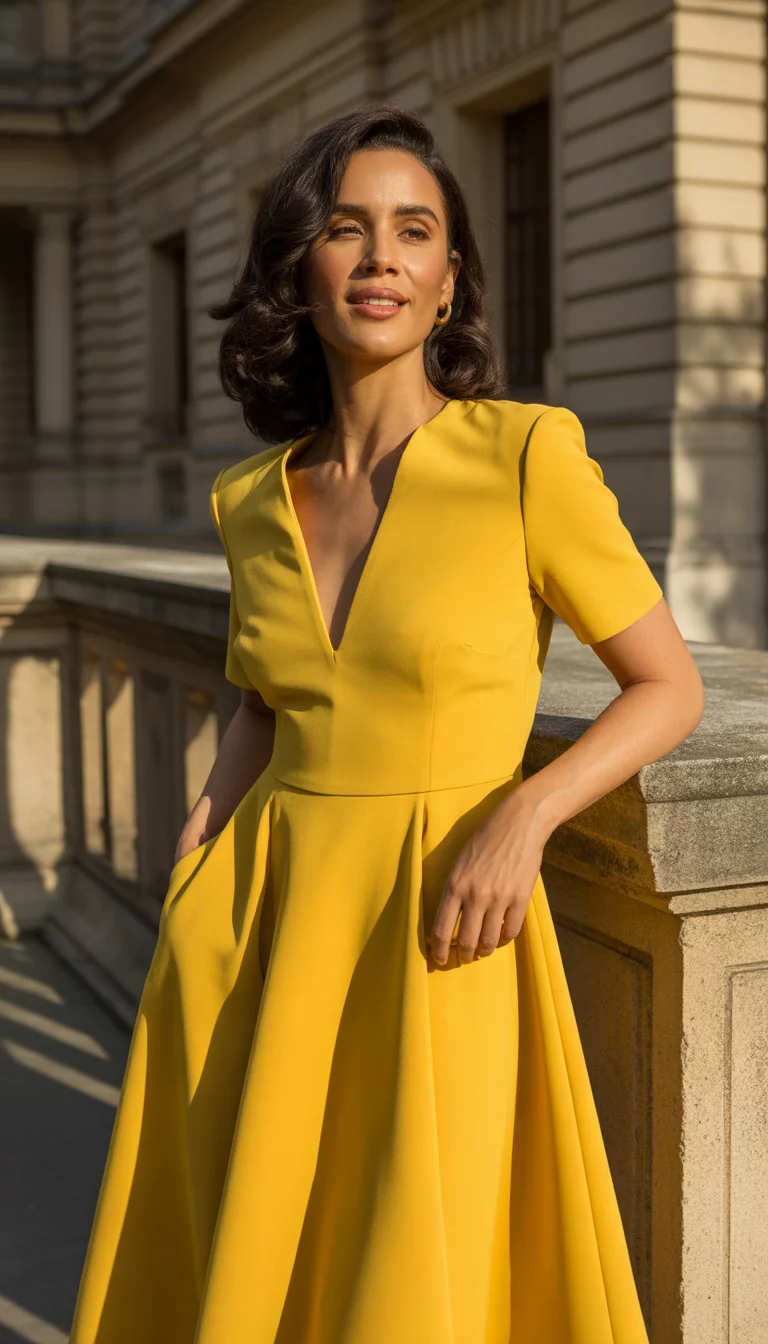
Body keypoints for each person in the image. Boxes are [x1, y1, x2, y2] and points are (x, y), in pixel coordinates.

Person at [70, 105, 704, 1344]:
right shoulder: (248, 498)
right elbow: (268, 697)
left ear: (449, 278)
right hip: (266, 923)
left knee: (417, 1265)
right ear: (298, 269)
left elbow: (668, 684)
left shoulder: (528, 457)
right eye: (347, 230)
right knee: (270, 1258)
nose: (380, 259)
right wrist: (201, 842)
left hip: (442, 928)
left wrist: (525, 812)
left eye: (414, 232)